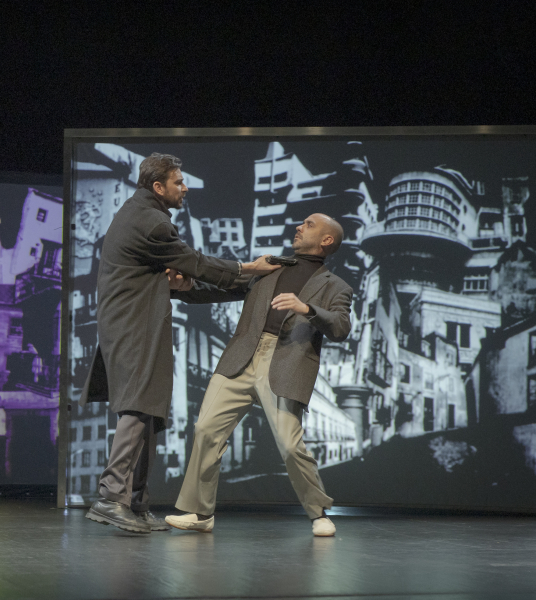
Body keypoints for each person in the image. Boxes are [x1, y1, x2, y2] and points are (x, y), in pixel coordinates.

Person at [80, 153, 279, 534]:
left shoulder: (141, 214)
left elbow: (185, 283)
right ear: (158, 187)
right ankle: (111, 497)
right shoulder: (152, 223)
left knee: (150, 411)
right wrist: (250, 269)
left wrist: (247, 287)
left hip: (139, 322)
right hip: (134, 326)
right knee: (138, 405)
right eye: (178, 182)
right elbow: (196, 264)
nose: (184, 188)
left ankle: (136, 502)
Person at [165, 213, 352, 537]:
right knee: (206, 429)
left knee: (290, 445)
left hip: (286, 361)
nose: (299, 227)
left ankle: (319, 513)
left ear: (327, 240)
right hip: (240, 357)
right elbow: (222, 289)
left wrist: (306, 308)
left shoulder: (336, 286)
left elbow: (340, 326)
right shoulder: (272, 266)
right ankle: (200, 512)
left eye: (309, 225)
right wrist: (183, 288)